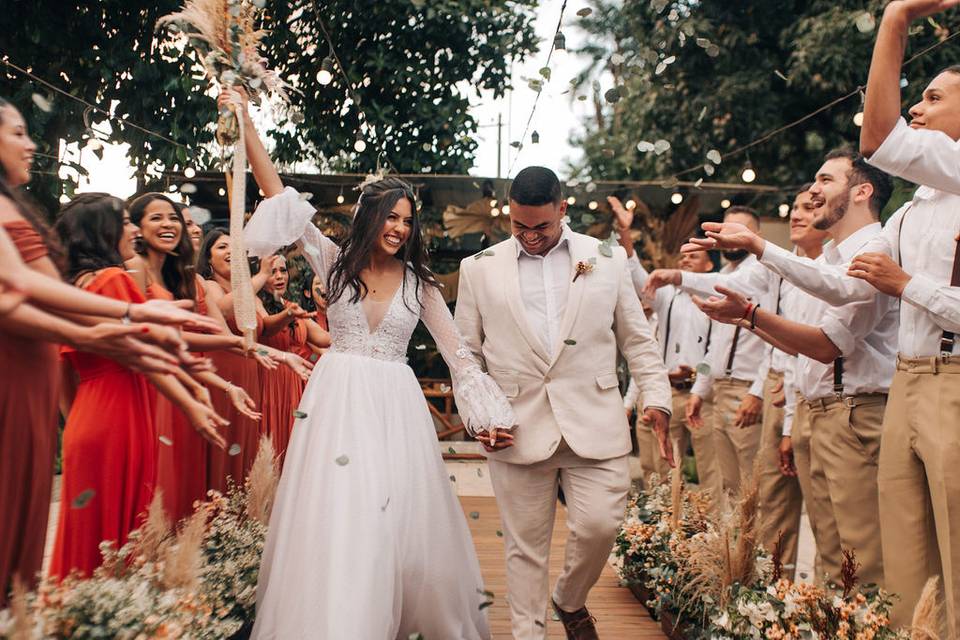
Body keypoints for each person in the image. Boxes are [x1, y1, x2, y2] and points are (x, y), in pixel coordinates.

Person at [230, 88, 513, 639]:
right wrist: (245, 124)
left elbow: (459, 355)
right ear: (371, 218)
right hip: (338, 401)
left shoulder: (420, 284)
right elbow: (276, 192)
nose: (401, 228)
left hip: (395, 410)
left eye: (408, 220)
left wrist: (488, 417)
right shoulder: (333, 263)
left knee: (394, 519)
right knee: (343, 512)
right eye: (392, 217)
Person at [0, 97, 212, 603]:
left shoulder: (18, 211)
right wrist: (131, 317)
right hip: (40, 385)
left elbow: (36, 304)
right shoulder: (113, 279)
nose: (30, 144)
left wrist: (111, 328)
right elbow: (12, 290)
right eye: (17, 133)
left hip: (49, 385)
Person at [455, 166, 672, 640]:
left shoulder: (606, 259)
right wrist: (478, 415)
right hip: (515, 426)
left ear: (563, 211)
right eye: (520, 227)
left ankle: (569, 599)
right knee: (524, 548)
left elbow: (637, 339)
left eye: (542, 226)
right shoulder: (479, 269)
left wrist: (656, 397)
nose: (530, 237)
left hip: (594, 422)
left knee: (600, 526)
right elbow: (466, 355)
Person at [691, 154, 896, 588]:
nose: (813, 189)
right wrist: (747, 318)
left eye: (825, 179)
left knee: (859, 556)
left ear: (862, 191)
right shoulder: (826, 262)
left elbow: (825, 345)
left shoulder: (877, 248)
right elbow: (797, 348)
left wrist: (755, 265)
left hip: (854, 412)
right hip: (814, 410)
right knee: (827, 552)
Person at [646, 206, 770, 495]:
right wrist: (699, 392)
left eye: (740, 230)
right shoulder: (726, 274)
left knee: (753, 487)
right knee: (728, 484)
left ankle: (753, 541)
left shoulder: (759, 269)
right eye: (725, 230)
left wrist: (757, 391)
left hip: (747, 390)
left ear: (756, 235)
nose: (730, 237)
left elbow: (772, 344)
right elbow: (717, 344)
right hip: (719, 388)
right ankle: (729, 541)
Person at [608, 196, 723, 501]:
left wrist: (699, 375)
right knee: (664, 467)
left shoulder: (717, 296)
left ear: (709, 264)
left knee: (711, 469)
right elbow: (638, 279)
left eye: (693, 256)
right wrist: (625, 235)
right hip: (670, 391)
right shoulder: (668, 295)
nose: (685, 260)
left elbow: (716, 351)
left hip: (703, 394)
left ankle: (713, 541)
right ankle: (668, 531)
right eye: (683, 257)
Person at [258, 254, 330, 463]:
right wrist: (288, 314)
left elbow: (324, 339)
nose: (280, 276)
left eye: (283, 270)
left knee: (296, 448)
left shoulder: (291, 305)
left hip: (296, 385)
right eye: (273, 272)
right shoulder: (255, 301)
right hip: (270, 382)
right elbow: (267, 326)